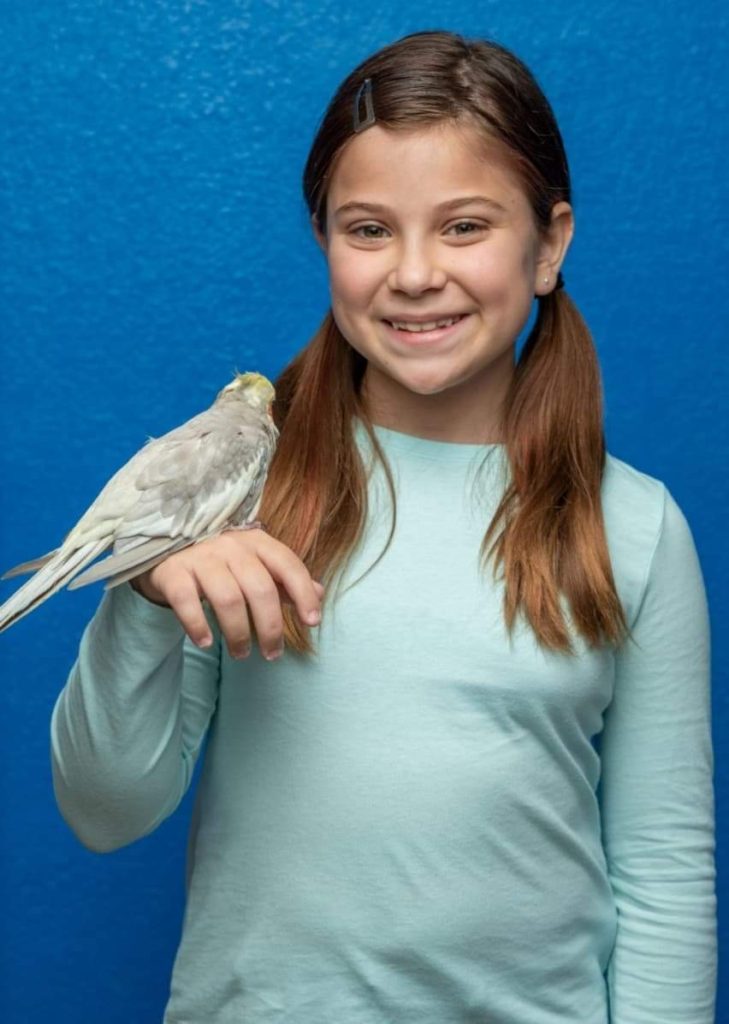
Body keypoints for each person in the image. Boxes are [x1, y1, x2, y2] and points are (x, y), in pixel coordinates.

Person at [50, 29, 716, 1024]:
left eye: (463, 227)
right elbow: (103, 813)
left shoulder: (636, 525)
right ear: (324, 239)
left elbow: (663, 877)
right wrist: (147, 593)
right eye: (368, 230)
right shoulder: (242, 497)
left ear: (550, 243)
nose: (412, 273)